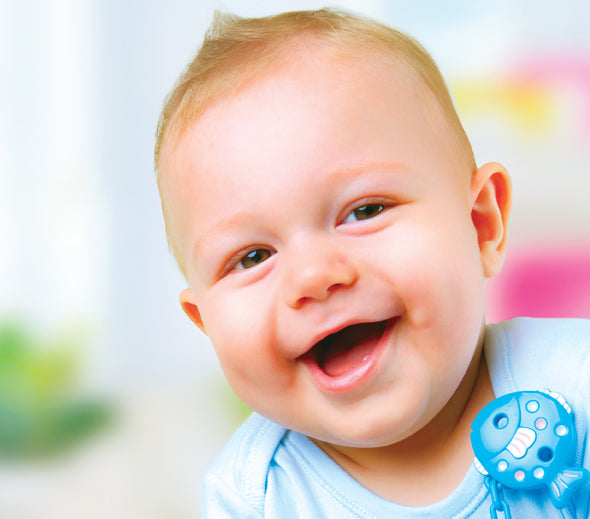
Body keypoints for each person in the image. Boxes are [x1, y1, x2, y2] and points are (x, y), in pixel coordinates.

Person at [154, 8, 590, 518]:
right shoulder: (257, 499)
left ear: (480, 225)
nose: (314, 277)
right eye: (252, 257)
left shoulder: (575, 384)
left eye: (364, 211)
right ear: (206, 325)